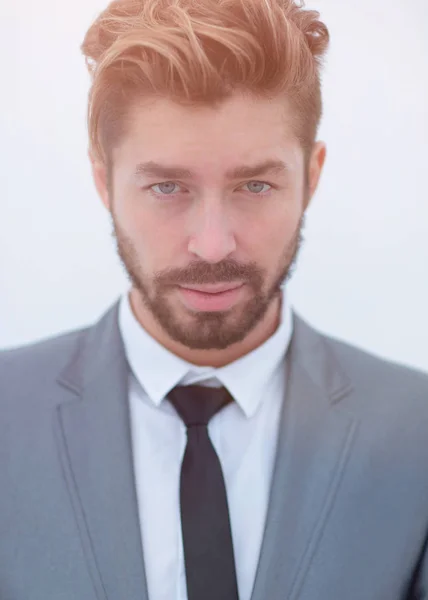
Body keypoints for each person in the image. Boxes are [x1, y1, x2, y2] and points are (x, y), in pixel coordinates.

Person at [1, 0, 428, 598]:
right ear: (104, 182)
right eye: (167, 186)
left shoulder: (418, 432)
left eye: (255, 184)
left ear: (313, 175)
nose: (211, 245)